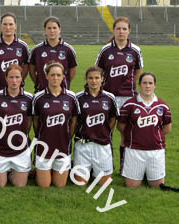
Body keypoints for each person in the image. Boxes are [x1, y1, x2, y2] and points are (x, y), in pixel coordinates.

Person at [95, 16, 143, 172]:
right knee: (105, 131)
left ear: (129, 31)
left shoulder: (135, 50)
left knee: (125, 132)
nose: (121, 31)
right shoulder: (106, 49)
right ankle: (106, 164)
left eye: (124, 29)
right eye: (118, 28)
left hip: (128, 98)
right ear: (113, 30)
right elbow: (98, 71)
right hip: (108, 97)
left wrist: (129, 87)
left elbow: (137, 72)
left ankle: (125, 166)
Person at [118, 72, 171, 188]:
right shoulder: (129, 105)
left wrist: (152, 136)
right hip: (135, 150)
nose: (147, 86)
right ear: (139, 85)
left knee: (157, 185)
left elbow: (167, 128)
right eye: (144, 83)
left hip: (156, 150)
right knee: (132, 185)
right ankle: (141, 171)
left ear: (155, 85)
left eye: (150, 83)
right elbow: (121, 126)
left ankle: (148, 172)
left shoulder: (163, 106)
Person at [32, 62, 80, 187]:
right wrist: (41, 135)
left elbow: (74, 119)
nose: (55, 78)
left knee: (60, 186)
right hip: (43, 148)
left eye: (58, 75)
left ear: (63, 77)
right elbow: (35, 121)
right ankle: (36, 172)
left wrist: (69, 134)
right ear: (46, 76)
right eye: (52, 75)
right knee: (45, 186)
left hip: (63, 148)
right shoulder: (38, 97)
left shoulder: (71, 97)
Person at [73, 66, 118, 186]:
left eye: (97, 78)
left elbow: (113, 118)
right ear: (86, 79)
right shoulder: (78, 98)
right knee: (80, 184)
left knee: (104, 184)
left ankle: (95, 170)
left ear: (102, 79)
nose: (94, 81)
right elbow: (74, 120)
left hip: (102, 145)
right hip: (83, 145)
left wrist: (105, 132)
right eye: (90, 78)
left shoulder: (109, 97)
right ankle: (87, 169)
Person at [0, 64, 33, 187]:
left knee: (19, 185)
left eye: (17, 77)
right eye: (11, 77)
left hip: (20, 149)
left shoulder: (29, 98)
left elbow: (29, 120)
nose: (14, 81)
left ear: (22, 79)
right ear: (6, 78)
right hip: (0, 148)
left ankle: (10, 173)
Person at [0, 12, 30, 94]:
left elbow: (26, 68)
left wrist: (17, 81)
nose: (8, 27)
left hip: (16, 91)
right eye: (5, 24)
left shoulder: (23, 46)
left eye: (11, 24)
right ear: (1, 26)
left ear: (15, 26)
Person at [29, 16, 77, 92]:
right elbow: (31, 70)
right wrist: (39, 83)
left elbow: (73, 70)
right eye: (49, 28)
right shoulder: (37, 49)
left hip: (62, 92)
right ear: (44, 30)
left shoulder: (68, 49)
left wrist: (63, 81)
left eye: (54, 28)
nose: (52, 31)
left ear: (59, 30)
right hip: (42, 91)